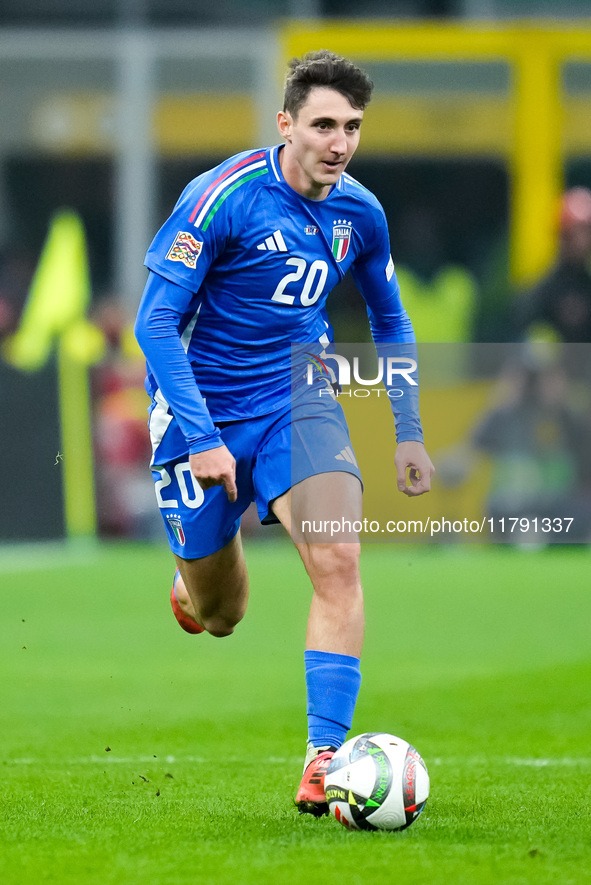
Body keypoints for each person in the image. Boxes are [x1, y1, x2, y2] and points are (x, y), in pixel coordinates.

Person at [134, 49, 434, 817]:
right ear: (286, 124)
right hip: (198, 410)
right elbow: (155, 322)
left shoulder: (360, 212)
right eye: (324, 124)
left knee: (338, 555)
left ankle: (323, 758)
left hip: (297, 398)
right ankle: (190, 583)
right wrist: (201, 436)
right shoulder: (221, 198)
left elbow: (389, 318)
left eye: (353, 127)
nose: (339, 142)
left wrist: (408, 430)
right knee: (220, 614)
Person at [516, 186, 591, 342]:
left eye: (587, 232)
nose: (583, 241)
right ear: (562, 235)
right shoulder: (542, 293)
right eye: (577, 232)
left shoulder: (586, 286)